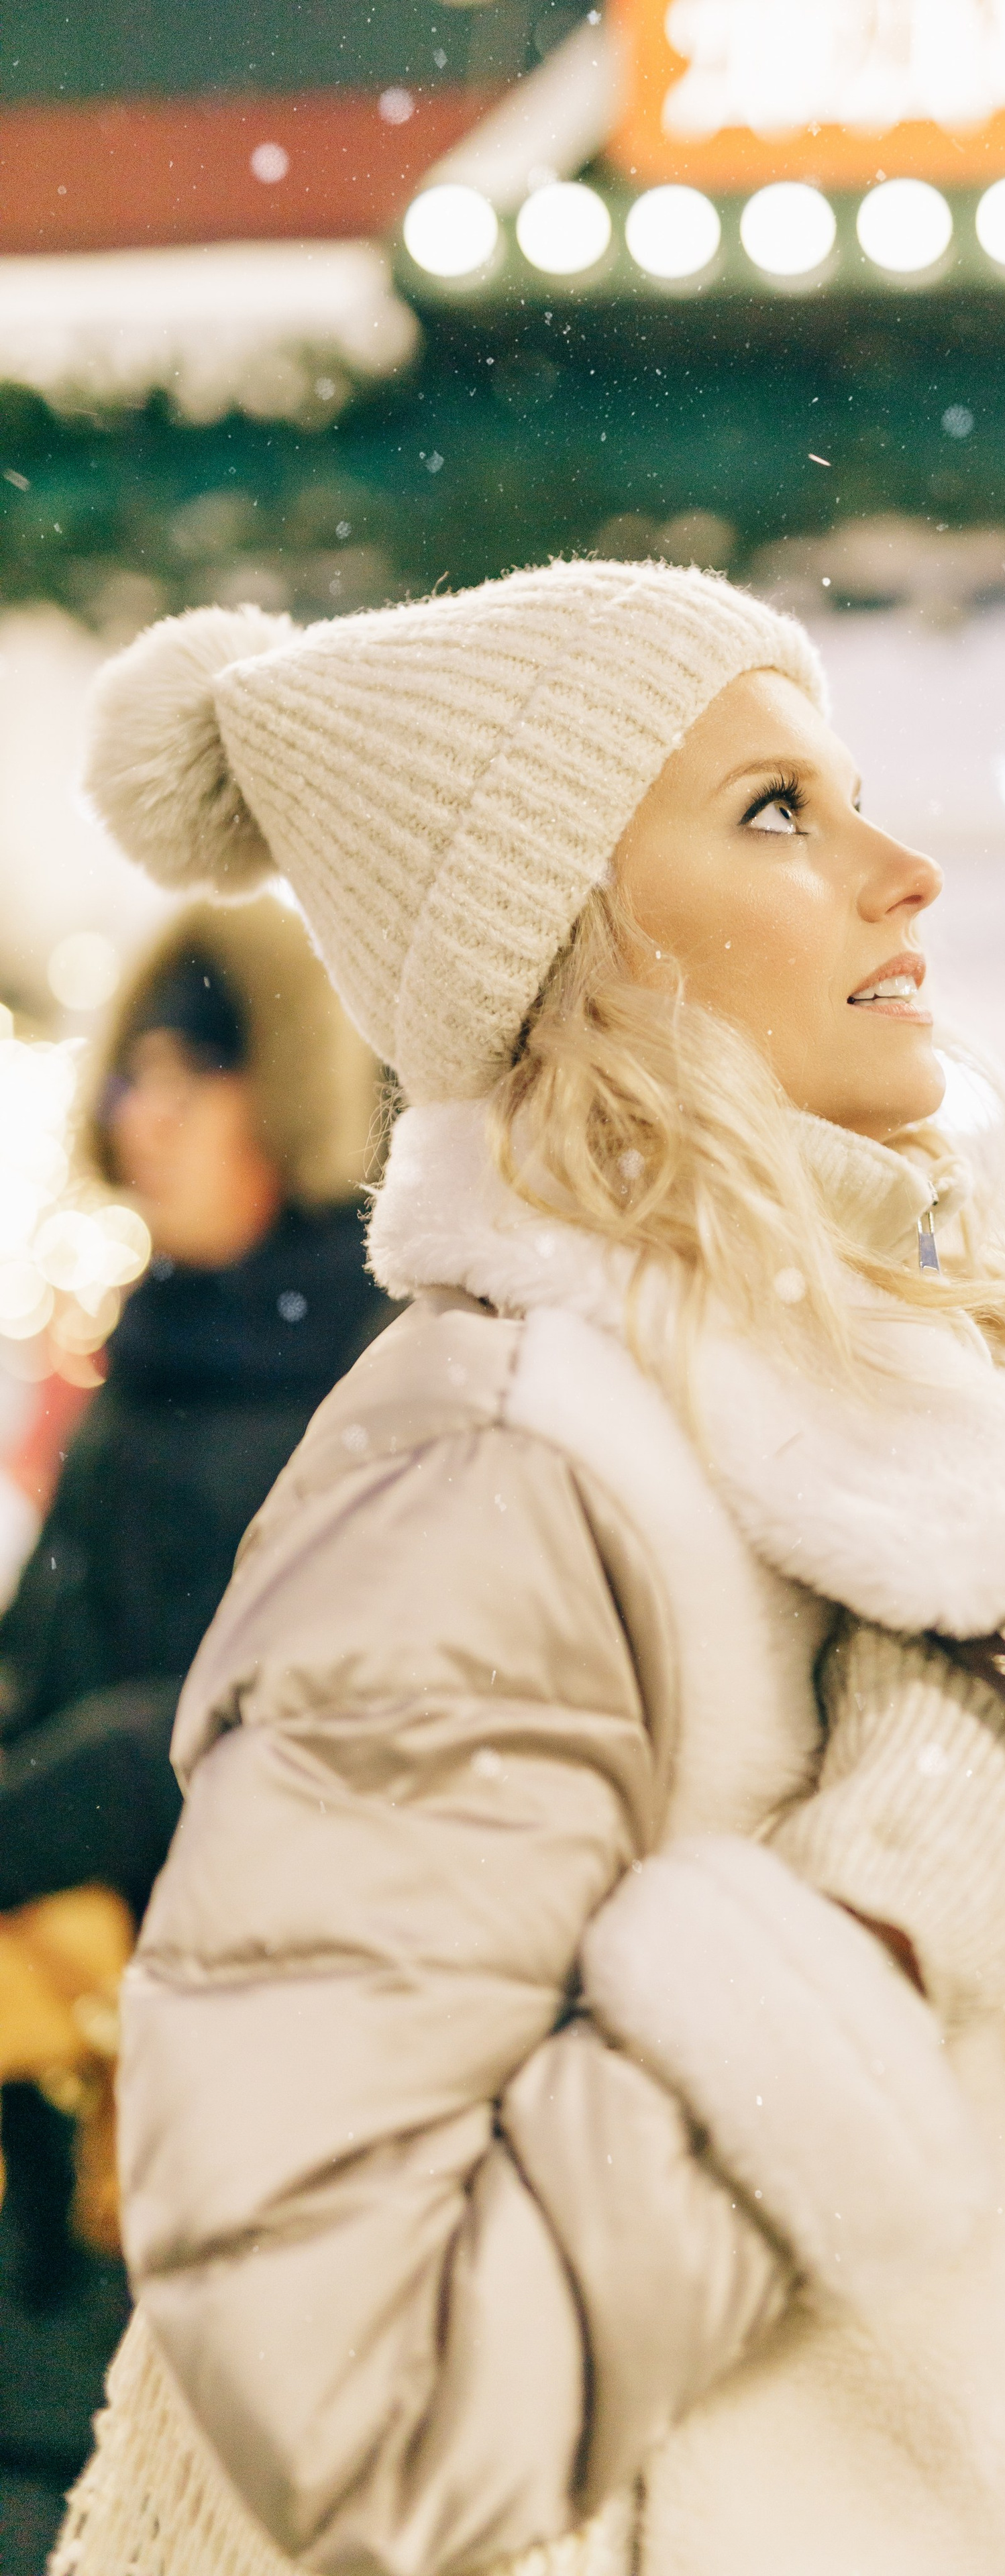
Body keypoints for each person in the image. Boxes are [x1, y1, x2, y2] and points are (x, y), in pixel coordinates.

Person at [51, 565, 1005, 2576]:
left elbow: (967, 2335)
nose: (906, 872)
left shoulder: (918, 1445)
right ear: (567, 938)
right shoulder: (501, 1469)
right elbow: (370, 2414)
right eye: (777, 811)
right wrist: (889, 1906)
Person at [0, 900, 390, 2574]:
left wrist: (73, 1776)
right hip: (62, 2015)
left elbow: (328, 1703)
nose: (133, 1119)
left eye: (184, 1078)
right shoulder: (153, 1344)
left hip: (245, 2059)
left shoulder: (383, 1364)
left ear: (279, 1095)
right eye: (131, 1080)